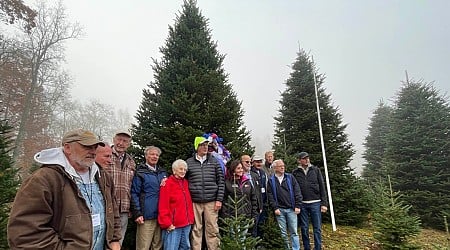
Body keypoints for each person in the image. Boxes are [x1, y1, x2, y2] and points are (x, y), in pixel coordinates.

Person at [7, 129, 121, 249]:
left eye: (94, 147)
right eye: (86, 146)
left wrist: (114, 239)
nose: (92, 151)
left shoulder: (102, 176)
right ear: (67, 147)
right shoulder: (43, 179)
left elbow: (112, 210)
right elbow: (25, 233)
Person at [186, 136, 225, 250]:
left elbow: (221, 181)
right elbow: (182, 180)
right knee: (196, 229)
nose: (205, 147)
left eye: (206, 145)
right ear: (197, 147)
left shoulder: (215, 161)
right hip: (195, 202)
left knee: (212, 229)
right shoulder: (189, 162)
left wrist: (219, 200)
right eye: (202, 145)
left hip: (211, 201)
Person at [131, 146, 167, 250]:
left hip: (160, 215)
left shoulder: (163, 173)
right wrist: (137, 213)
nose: (154, 156)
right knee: (143, 246)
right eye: (152, 154)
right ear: (146, 156)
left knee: (157, 246)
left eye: (157, 155)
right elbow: (134, 193)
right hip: (146, 216)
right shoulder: (140, 173)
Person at [105, 130, 136, 246]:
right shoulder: (106, 155)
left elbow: (133, 186)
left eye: (125, 141)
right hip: (106, 206)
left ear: (128, 144)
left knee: (119, 240)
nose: (121, 143)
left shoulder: (131, 161)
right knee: (104, 238)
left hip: (124, 208)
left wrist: (131, 208)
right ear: (113, 140)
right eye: (119, 140)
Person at [292, 152, 328, 250]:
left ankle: (318, 247)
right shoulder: (295, 172)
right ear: (299, 160)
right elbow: (294, 189)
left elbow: (322, 186)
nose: (307, 159)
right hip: (302, 204)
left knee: (317, 228)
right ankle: (306, 247)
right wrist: (296, 204)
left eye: (307, 157)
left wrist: (324, 203)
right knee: (304, 228)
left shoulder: (316, 170)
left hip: (316, 203)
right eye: (304, 158)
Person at [158, 159, 195, 250]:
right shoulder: (167, 183)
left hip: (186, 224)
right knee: (171, 248)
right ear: (174, 170)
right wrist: (167, 223)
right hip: (173, 225)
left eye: (185, 170)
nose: (183, 171)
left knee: (186, 247)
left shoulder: (185, 183)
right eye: (181, 169)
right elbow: (163, 205)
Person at [267, 159, 302, 250]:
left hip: (291, 209)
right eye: (280, 166)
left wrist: (298, 205)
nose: (282, 167)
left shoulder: (290, 178)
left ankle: (295, 248)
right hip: (280, 210)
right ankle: (286, 248)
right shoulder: (271, 181)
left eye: (283, 165)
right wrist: (275, 208)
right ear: (275, 168)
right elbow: (270, 196)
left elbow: (297, 191)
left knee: (294, 232)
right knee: (283, 232)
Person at [221, 160, 258, 238]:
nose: (241, 170)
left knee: (243, 238)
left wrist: (254, 215)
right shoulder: (227, 183)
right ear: (233, 170)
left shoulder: (247, 182)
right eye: (238, 168)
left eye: (241, 168)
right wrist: (225, 216)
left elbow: (253, 199)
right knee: (236, 239)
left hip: (246, 216)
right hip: (232, 217)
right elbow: (224, 200)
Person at [250, 155, 269, 238]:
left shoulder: (262, 172)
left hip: (263, 202)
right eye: (257, 162)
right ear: (253, 162)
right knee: (255, 224)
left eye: (260, 161)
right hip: (255, 204)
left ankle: (260, 241)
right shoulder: (251, 173)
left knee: (262, 223)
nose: (259, 163)